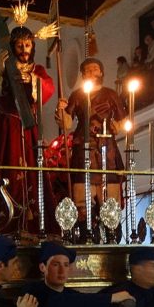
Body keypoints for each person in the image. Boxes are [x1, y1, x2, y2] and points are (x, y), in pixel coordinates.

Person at [0, 23, 55, 233]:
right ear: (13, 47)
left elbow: (48, 88)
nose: (24, 49)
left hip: (28, 126)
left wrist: (32, 80)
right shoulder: (3, 67)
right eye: (19, 45)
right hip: (9, 127)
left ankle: (34, 220)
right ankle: (8, 217)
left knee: (32, 169)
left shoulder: (37, 70)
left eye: (27, 44)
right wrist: (1, 73)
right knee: (9, 169)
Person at [56, 58, 127, 228]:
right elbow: (66, 123)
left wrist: (117, 126)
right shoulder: (77, 95)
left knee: (109, 199)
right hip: (83, 147)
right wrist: (61, 108)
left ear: (101, 72)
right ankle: (84, 227)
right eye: (87, 70)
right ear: (82, 74)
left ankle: (110, 231)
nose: (91, 72)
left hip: (106, 148)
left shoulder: (110, 94)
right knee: (82, 198)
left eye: (95, 69)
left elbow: (124, 120)